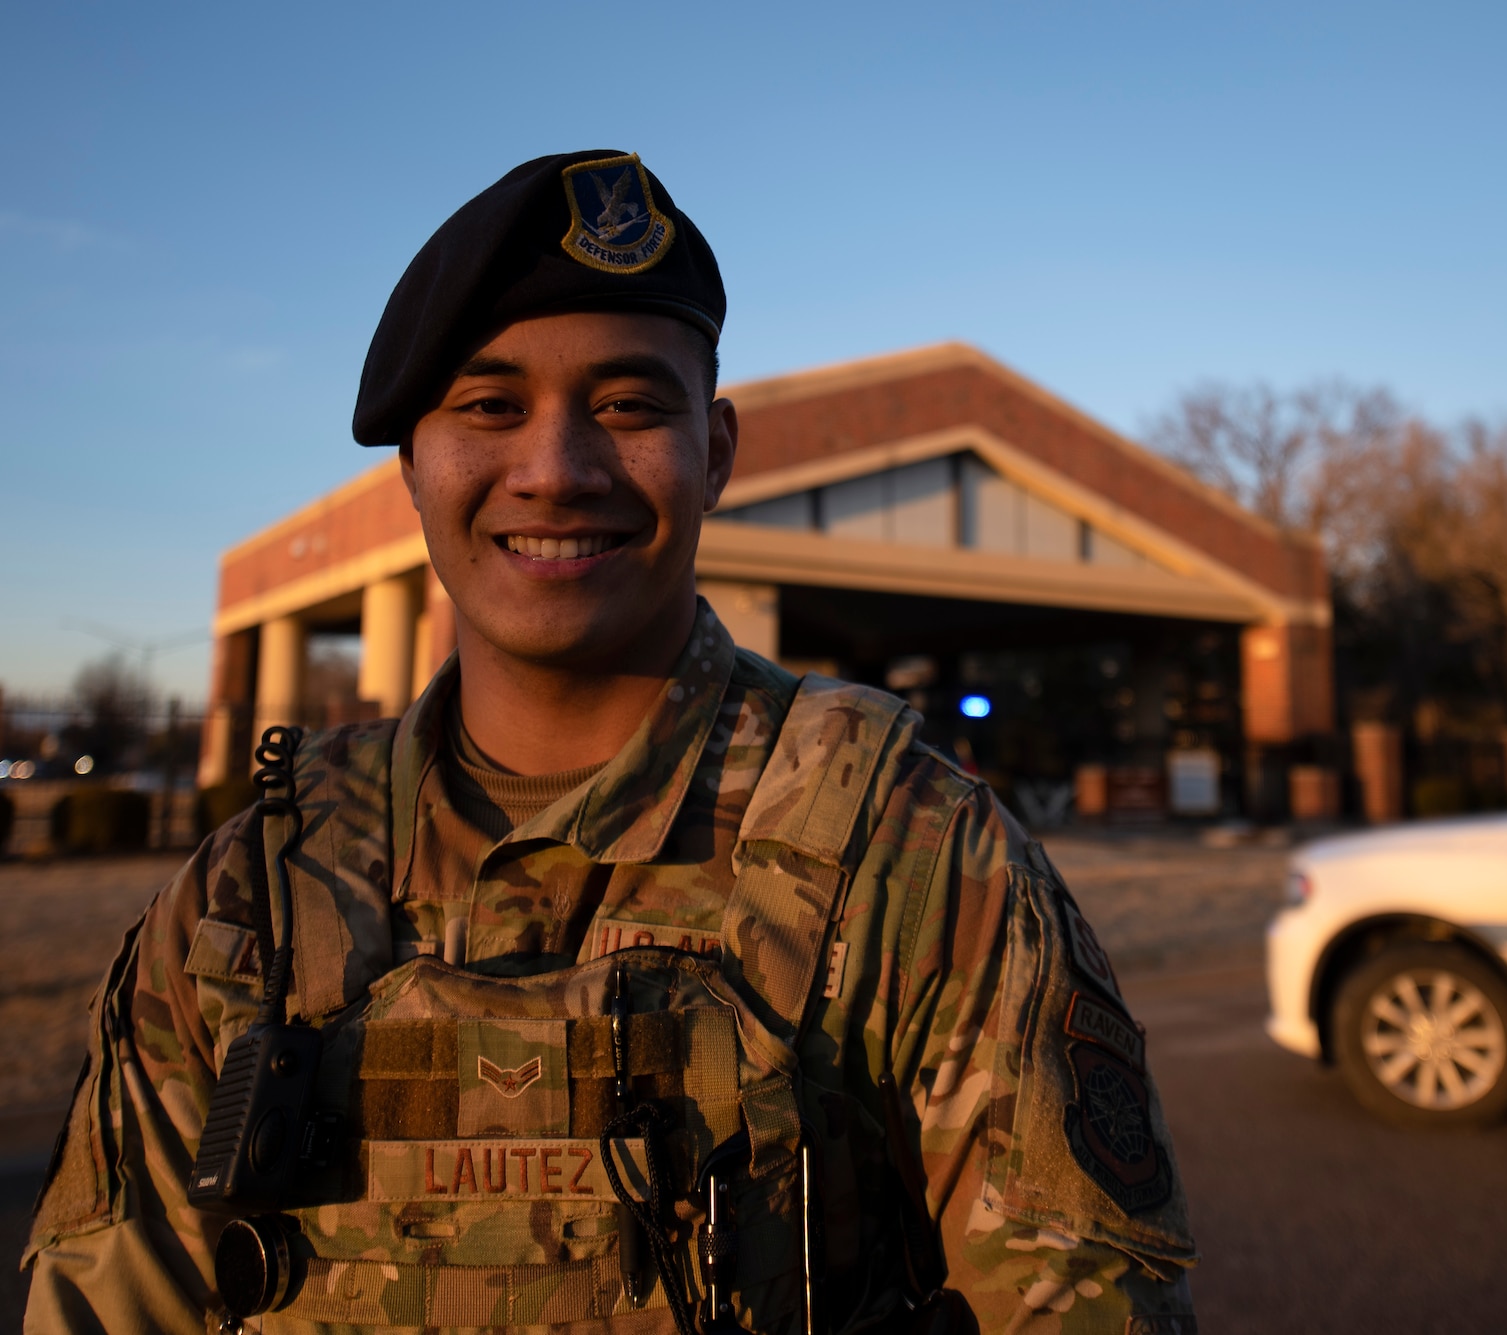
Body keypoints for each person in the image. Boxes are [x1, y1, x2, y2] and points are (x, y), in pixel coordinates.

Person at [22, 150, 1198, 1334]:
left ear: (718, 453)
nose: (557, 472)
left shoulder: (910, 855)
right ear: (413, 472)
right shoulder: (250, 897)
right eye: (489, 408)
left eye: (629, 406)